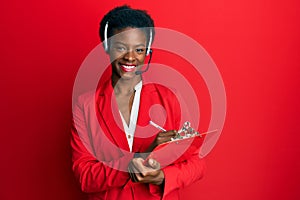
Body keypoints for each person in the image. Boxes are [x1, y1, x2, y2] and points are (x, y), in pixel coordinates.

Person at [71, 5, 205, 200]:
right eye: (121, 47)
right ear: (107, 46)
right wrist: (131, 164)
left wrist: (162, 177)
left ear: (147, 51)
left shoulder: (171, 99)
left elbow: (197, 164)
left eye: (139, 49)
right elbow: (84, 176)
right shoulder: (85, 106)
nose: (130, 57)